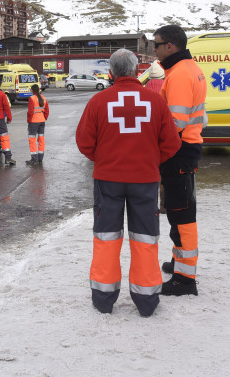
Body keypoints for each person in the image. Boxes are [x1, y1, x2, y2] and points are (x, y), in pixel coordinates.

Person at [76, 49, 181, 316]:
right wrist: (150, 160)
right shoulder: (155, 101)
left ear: (111, 73)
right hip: (145, 180)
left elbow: (84, 142)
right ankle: (146, 302)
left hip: (107, 180)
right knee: (146, 238)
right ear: (137, 70)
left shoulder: (99, 101)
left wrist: (104, 159)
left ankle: (103, 299)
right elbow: (171, 143)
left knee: (106, 238)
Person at [153, 24, 207, 296]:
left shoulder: (180, 74)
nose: (155, 50)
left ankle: (184, 280)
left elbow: (175, 122)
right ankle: (179, 263)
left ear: (170, 46)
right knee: (178, 211)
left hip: (179, 150)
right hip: (186, 148)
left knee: (181, 213)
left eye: (156, 45)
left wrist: (154, 145)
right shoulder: (187, 69)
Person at [25, 83, 50, 165]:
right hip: (42, 121)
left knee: (32, 139)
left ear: (32, 91)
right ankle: (40, 157)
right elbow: (47, 111)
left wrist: (29, 121)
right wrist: (44, 118)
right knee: (41, 139)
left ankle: (34, 158)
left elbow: (30, 112)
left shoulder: (32, 98)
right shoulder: (44, 98)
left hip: (34, 121)